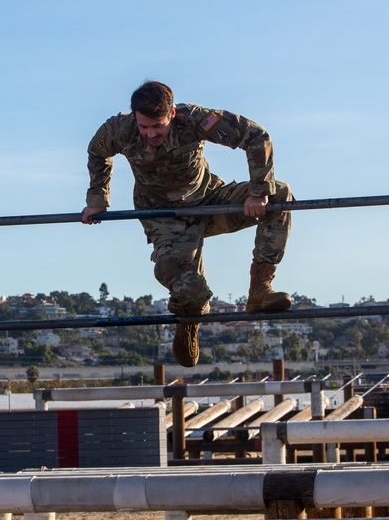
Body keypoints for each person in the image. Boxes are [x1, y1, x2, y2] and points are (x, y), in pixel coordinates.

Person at [81, 80, 294, 367]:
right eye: (144, 127)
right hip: (164, 219)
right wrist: (97, 197)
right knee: (191, 292)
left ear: (171, 113)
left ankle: (260, 287)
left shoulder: (194, 119)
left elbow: (256, 136)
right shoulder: (121, 129)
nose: (150, 133)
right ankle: (190, 320)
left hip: (209, 203)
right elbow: (97, 152)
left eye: (157, 126)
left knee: (279, 194)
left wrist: (259, 191)